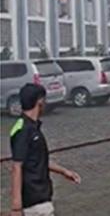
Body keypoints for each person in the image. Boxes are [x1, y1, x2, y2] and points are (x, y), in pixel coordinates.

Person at [10, 84, 81, 216]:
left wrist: (64, 171)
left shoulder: (31, 127)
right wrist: (16, 206)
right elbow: (16, 166)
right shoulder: (24, 130)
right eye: (45, 100)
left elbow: (37, 159)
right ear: (40, 101)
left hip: (41, 199)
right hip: (35, 202)